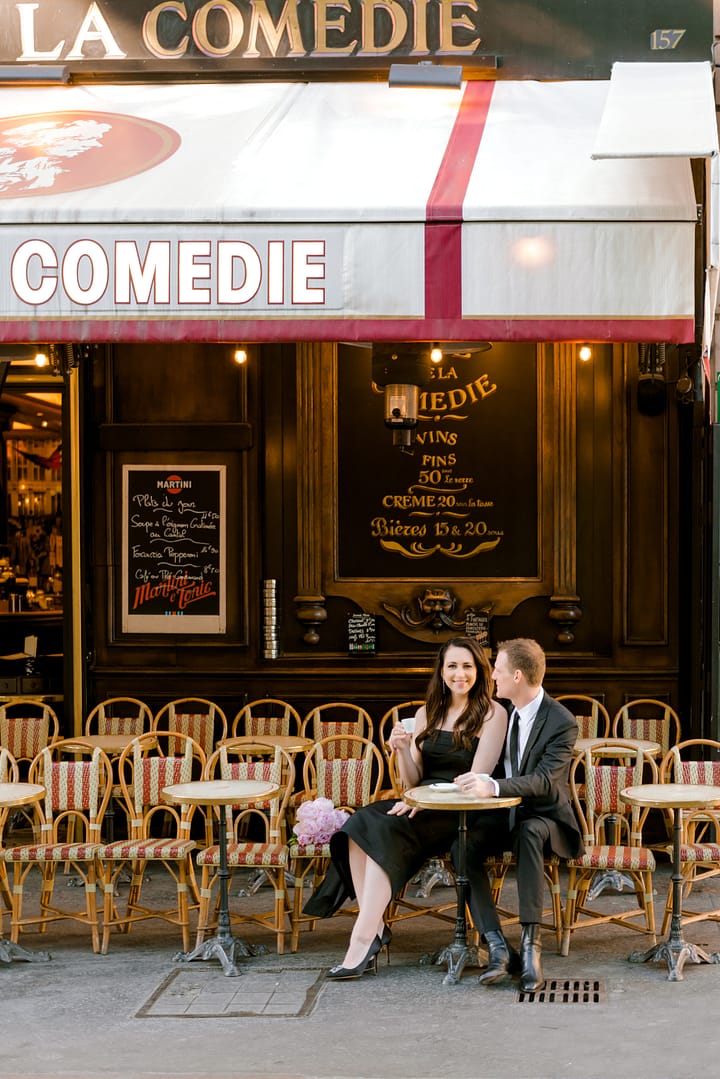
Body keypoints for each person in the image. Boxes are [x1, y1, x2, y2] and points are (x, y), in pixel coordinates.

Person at [308, 636, 507, 980]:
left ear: (480, 670)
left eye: (467, 666)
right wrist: (401, 749)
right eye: (452, 666)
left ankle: (361, 939)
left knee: (384, 826)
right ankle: (375, 929)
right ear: (441, 672)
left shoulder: (493, 713)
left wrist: (425, 802)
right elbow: (412, 780)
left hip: (463, 810)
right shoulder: (426, 712)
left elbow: (477, 780)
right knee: (360, 823)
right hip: (421, 802)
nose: (460, 674)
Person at [453, 637, 583, 992]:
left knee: (529, 832)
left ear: (519, 676)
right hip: (506, 813)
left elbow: (542, 782)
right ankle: (497, 945)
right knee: (462, 846)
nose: (492, 674)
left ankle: (531, 947)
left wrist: (492, 788)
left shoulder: (561, 721)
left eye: (498, 669)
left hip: (546, 817)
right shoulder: (502, 712)